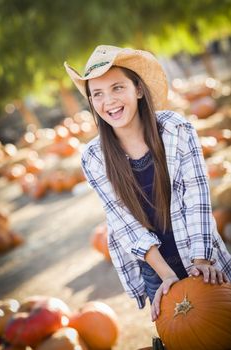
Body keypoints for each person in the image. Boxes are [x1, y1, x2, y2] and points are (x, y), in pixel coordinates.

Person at [64, 45, 231, 322]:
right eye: (98, 94)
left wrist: (201, 262)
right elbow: (124, 222)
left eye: (118, 88)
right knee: (184, 334)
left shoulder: (176, 129)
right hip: (155, 269)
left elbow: (197, 197)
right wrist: (167, 276)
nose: (109, 101)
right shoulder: (94, 157)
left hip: (200, 250)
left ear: (138, 90)